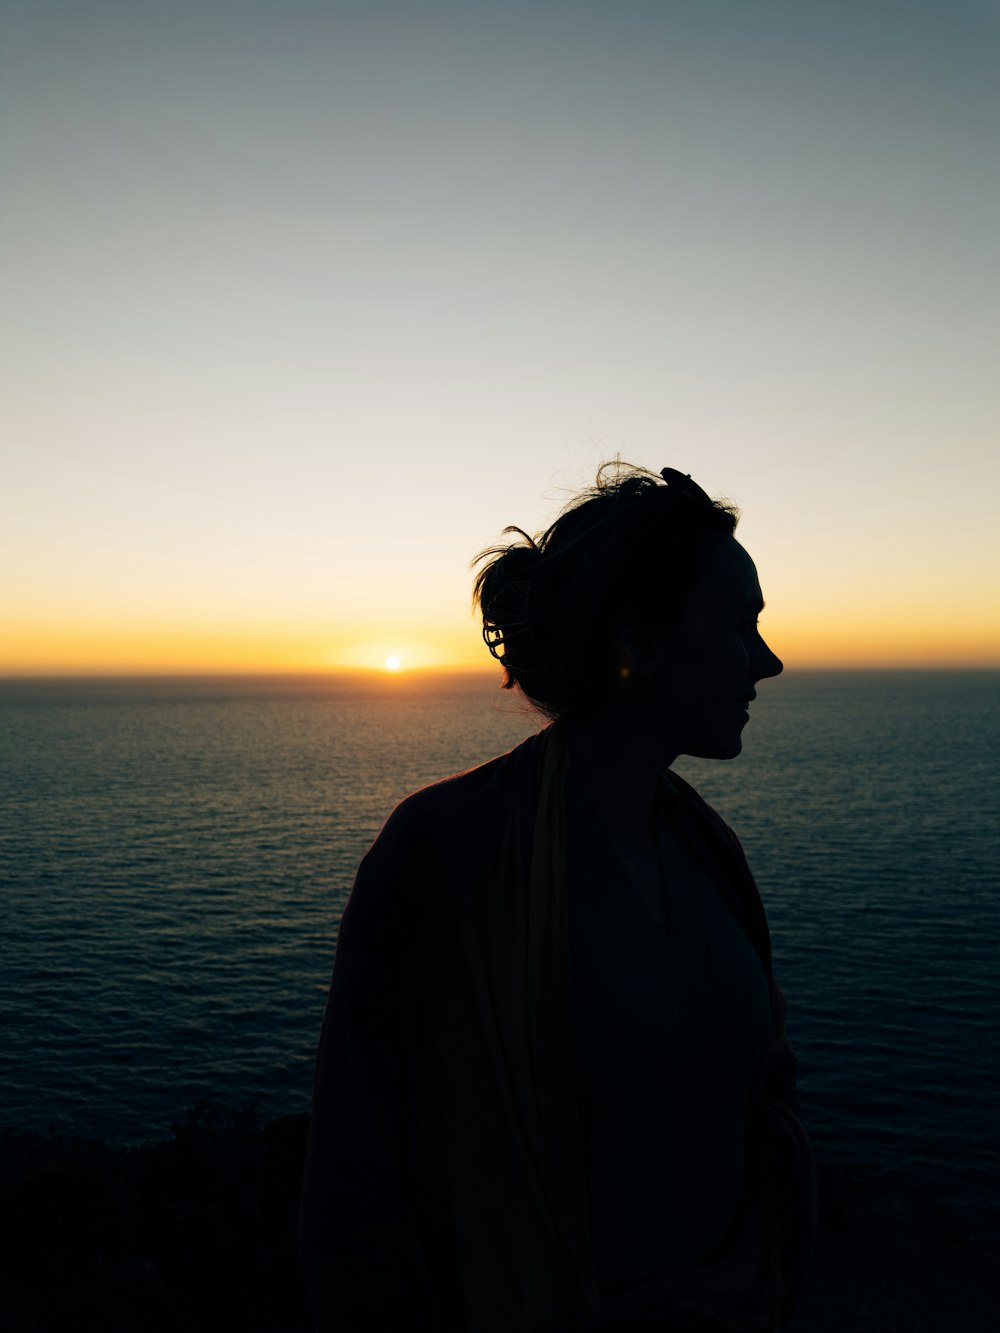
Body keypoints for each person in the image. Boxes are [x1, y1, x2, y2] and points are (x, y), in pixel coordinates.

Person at [299, 462, 817, 1332]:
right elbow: (358, 1184)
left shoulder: (704, 847)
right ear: (641, 643)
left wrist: (754, 1257)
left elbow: (758, 1100)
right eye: (739, 627)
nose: (767, 661)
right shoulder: (442, 850)